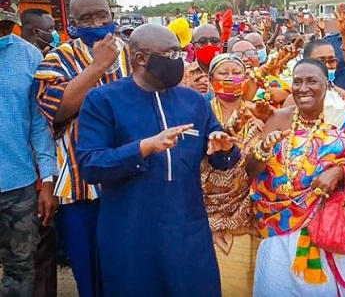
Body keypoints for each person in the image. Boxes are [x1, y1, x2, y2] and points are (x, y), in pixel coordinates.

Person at [75, 24, 240, 296]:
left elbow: (221, 159)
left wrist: (223, 149)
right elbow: (91, 166)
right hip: (131, 233)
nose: (179, 61)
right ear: (141, 58)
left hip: (188, 231)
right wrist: (142, 148)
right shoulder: (103, 100)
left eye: (179, 53)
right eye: (171, 54)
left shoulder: (193, 101)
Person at [246, 59, 345, 296]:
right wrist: (263, 149)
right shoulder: (278, 119)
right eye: (297, 82)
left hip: (331, 232)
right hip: (277, 230)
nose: (303, 88)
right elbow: (250, 170)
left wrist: (340, 172)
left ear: (327, 83)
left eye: (312, 81)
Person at [34, 0, 129, 297]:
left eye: (101, 15)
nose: (96, 23)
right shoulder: (56, 59)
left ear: (112, 16)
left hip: (130, 183)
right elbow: (58, 108)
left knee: (128, 267)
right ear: (71, 24)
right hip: (80, 187)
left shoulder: (134, 53)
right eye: (85, 19)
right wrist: (98, 66)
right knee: (90, 276)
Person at [0, 0, 57, 297]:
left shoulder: (30, 57)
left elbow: (39, 124)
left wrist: (46, 181)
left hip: (18, 188)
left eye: (6, 24)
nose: (2, 30)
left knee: (21, 269)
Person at [201, 54, 273, 296]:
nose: (231, 77)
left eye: (236, 72)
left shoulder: (261, 113)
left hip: (250, 213)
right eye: (224, 73)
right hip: (208, 214)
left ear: (245, 79)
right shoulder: (200, 112)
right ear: (211, 80)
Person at [20, 7, 61, 297]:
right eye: (50, 28)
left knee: (38, 248)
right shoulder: (39, 65)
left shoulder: (39, 62)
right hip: (28, 175)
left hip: (36, 175)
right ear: (37, 31)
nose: (54, 33)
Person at [181, 24, 222, 98]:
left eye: (215, 41)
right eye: (202, 42)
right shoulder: (182, 74)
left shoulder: (232, 70)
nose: (209, 45)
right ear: (193, 47)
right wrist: (190, 93)